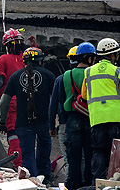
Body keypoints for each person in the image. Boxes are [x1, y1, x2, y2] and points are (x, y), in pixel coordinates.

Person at [0, 47, 55, 179]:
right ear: (40, 61)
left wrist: (2, 122)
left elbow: (4, 102)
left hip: (23, 123)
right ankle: (45, 177)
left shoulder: (15, 76)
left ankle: (31, 181)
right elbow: (55, 101)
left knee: (27, 154)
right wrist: (54, 122)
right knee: (44, 150)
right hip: (43, 122)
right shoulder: (48, 75)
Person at [81, 38, 120, 180]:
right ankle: (114, 181)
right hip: (115, 118)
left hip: (96, 119)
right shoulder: (117, 71)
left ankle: (98, 181)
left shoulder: (88, 72)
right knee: (114, 152)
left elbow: (84, 95)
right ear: (111, 56)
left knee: (98, 151)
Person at [0, 28, 25, 167]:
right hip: (28, 103)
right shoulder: (26, 60)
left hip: (11, 103)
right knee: (25, 135)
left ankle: (17, 165)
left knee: (13, 133)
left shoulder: (4, 58)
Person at [59, 43, 93, 190]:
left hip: (72, 118)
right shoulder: (92, 73)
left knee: (73, 156)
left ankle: (73, 185)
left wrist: (63, 121)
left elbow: (62, 100)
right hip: (90, 117)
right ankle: (88, 184)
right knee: (89, 154)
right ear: (89, 58)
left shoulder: (67, 75)